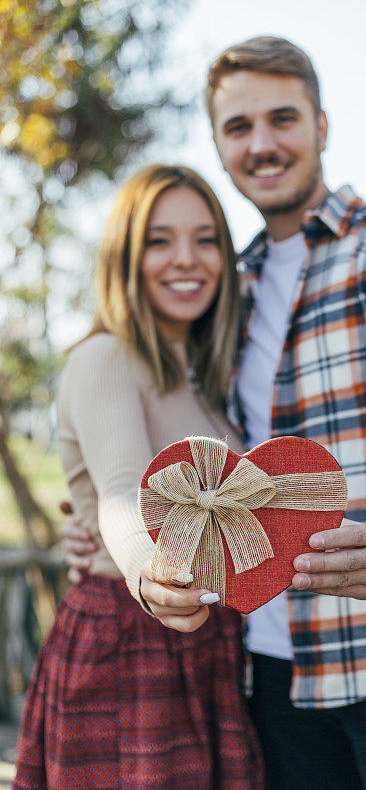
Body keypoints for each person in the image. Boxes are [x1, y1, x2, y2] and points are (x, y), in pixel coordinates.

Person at [63, 37, 366, 790]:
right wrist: (106, 533)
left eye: (282, 118)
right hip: (261, 673)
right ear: (220, 144)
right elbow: (162, 455)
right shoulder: (227, 291)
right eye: (238, 128)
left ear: (321, 126)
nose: (262, 144)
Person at [13, 164, 265, 790]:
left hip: (209, 647)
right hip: (129, 644)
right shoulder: (104, 357)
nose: (186, 259)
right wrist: (152, 574)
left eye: (206, 238)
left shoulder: (205, 381)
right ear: (125, 254)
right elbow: (123, 494)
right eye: (159, 239)